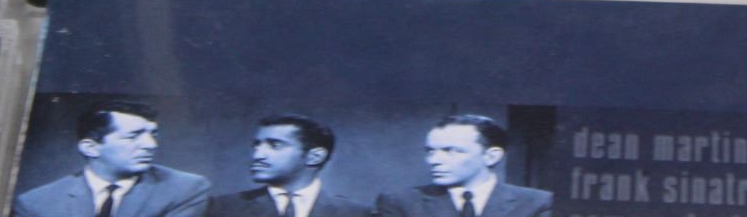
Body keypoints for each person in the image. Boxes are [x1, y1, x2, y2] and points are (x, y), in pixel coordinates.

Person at [14, 101, 211, 217]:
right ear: (91, 148)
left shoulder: (185, 189)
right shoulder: (36, 203)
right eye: (133, 136)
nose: (151, 145)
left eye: (153, 135)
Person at [376, 115, 551, 217]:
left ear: (491, 156)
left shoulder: (537, 203)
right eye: (430, 151)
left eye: (451, 151)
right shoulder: (400, 202)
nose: (433, 160)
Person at [208, 115, 369, 217]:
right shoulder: (222, 208)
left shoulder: (355, 213)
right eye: (256, 146)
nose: (257, 155)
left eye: (275, 145)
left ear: (315, 156)